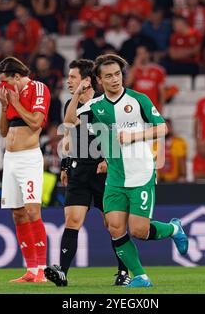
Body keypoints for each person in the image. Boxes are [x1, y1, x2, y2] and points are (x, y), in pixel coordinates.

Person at [61, 54, 188, 288]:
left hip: (140, 173)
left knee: (139, 230)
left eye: (117, 74)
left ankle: (173, 228)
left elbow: (162, 127)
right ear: (99, 80)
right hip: (116, 178)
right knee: (115, 227)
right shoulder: (95, 106)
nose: (114, 79)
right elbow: (69, 122)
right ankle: (140, 276)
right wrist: (78, 93)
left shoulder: (138, 99)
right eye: (108, 76)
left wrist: (134, 136)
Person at [44, 59, 130, 287]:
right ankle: (62, 272)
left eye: (72, 77)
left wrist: (106, 159)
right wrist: (65, 164)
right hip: (79, 169)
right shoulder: (70, 105)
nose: (68, 81)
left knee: (113, 224)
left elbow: (115, 134)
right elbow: (70, 136)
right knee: (72, 220)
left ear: (86, 80)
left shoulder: (105, 104)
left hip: (105, 171)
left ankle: (124, 272)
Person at [0, 57, 51, 283]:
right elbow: (2, 131)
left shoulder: (38, 89)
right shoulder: (9, 95)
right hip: (10, 158)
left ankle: (42, 270)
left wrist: (17, 104)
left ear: (17, 76)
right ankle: (31, 270)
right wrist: (3, 107)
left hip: (29, 158)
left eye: (5, 82)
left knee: (32, 211)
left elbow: (36, 122)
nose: (4, 87)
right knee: (17, 214)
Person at [126, 45, 167, 113]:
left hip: (152, 108)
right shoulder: (134, 70)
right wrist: (135, 66)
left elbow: (162, 93)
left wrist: (161, 109)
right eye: (139, 54)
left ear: (148, 54)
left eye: (143, 53)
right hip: (136, 109)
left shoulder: (158, 70)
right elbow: (127, 84)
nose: (141, 56)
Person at [155, 119, 187, 183]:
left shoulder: (179, 142)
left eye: (167, 127)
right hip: (159, 181)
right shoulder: (155, 144)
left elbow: (182, 160)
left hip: (174, 181)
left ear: (171, 128)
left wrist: (183, 176)